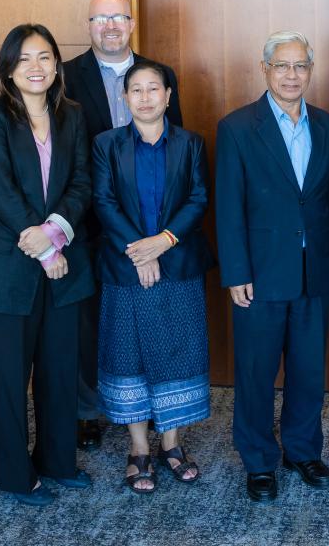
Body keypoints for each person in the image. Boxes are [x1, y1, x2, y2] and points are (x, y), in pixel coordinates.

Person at [216, 31, 329, 503]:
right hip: (260, 273)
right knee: (255, 371)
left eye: (301, 66)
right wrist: (235, 272)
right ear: (265, 69)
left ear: (311, 71)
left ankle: (302, 451)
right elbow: (228, 207)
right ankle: (258, 460)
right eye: (282, 66)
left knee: (309, 370)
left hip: (314, 271)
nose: (292, 75)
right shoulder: (236, 127)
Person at [0, 23, 95, 506]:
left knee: (59, 370)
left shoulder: (74, 115)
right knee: (8, 375)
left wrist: (57, 232)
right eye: (24, 59)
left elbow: (83, 180)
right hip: (13, 267)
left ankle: (58, 461)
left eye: (44, 57)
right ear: (8, 67)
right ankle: (14, 475)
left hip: (66, 262)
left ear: (57, 64)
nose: (35, 67)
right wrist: (42, 247)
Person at [61, 0, 183, 448]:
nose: (110, 25)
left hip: (150, 227)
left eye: (119, 17)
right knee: (88, 319)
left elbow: (176, 154)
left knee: (148, 315)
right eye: (100, 18)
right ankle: (89, 409)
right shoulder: (67, 75)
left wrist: (158, 236)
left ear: (132, 23)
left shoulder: (158, 75)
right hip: (84, 220)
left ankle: (151, 405)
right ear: (89, 24)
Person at [91, 60, 212, 495]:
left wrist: (163, 241)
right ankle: (138, 449)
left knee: (176, 355)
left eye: (153, 89)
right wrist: (140, 252)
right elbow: (103, 202)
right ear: (125, 98)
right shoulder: (106, 144)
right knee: (129, 356)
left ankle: (172, 446)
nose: (145, 97)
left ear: (168, 95)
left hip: (177, 265)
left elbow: (199, 197)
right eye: (136, 90)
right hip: (125, 269)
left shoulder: (190, 143)